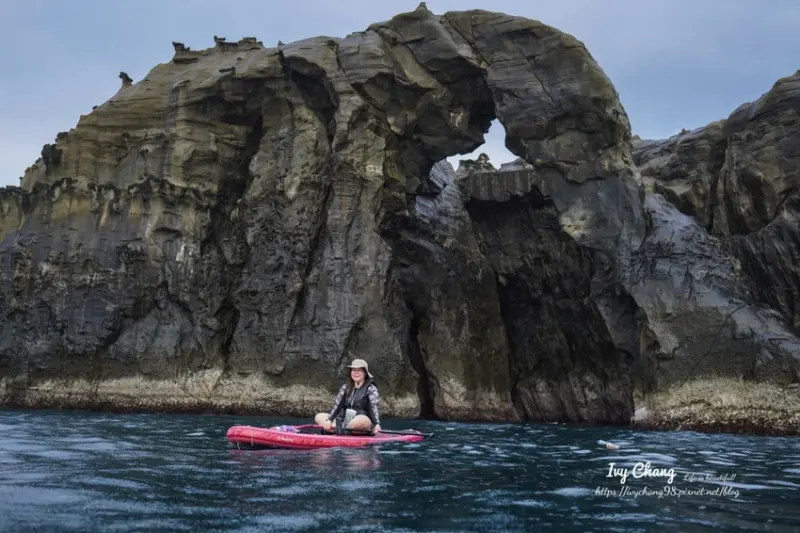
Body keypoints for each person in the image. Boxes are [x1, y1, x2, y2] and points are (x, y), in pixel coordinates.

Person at [315, 359, 382, 435]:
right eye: (353, 370)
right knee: (319, 416)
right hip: (345, 421)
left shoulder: (371, 389)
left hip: (363, 421)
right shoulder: (345, 387)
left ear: (365, 373)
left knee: (359, 422)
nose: (356, 372)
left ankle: (338, 429)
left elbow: (373, 408)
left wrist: (377, 424)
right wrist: (329, 420)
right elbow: (337, 406)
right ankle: (339, 429)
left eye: (359, 370)